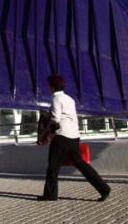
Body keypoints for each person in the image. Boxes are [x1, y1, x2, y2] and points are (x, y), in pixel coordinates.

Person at [39, 74, 111, 202]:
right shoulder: (69, 99)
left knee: (53, 166)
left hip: (62, 136)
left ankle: (50, 195)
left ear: (53, 87)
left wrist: (46, 131)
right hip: (74, 136)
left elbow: (55, 119)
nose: (49, 89)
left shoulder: (56, 98)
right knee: (81, 164)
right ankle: (103, 188)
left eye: (49, 86)